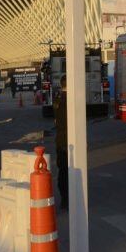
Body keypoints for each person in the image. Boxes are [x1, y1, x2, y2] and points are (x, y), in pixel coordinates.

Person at [53, 75, 68, 211]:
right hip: (70, 140)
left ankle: (64, 198)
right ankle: (70, 198)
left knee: (62, 171)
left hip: (60, 140)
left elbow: (56, 121)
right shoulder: (71, 100)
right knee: (71, 171)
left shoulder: (57, 100)